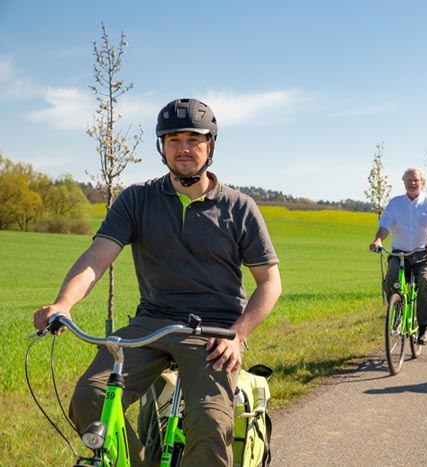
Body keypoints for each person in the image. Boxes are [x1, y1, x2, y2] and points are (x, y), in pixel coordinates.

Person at [33, 98, 282, 467]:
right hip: (150, 324)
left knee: (210, 422)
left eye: (194, 139)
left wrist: (238, 335)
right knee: (90, 396)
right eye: (174, 139)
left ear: (210, 145)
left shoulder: (239, 207)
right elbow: (96, 259)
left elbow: (269, 284)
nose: (184, 148)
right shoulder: (137, 200)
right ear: (161, 147)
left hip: (213, 334)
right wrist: (63, 304)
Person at [369, 167, 427, 345]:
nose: (412, 183)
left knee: (425, 282)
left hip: (424, 253)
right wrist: (378, 240)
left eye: (415, 180)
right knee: (392, 279)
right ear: (403, 182)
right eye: (408, 180)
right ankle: (396, 313)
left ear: (422, 183)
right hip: (400, 253)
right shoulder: (395, 203)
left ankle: (423, 327)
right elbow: (385, 224)